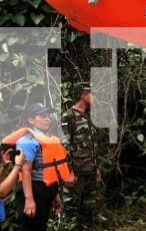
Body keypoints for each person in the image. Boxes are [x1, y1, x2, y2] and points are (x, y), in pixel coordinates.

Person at [5, 103, 75, 231]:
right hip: (33, 190)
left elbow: (50, 170)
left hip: (47, 191)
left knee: (41, 226)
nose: (47, 119)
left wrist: (54, 195)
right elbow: (26, 170)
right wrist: (29, 200)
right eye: (42, 116)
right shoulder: (27, 141)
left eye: (48, 115)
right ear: (31, 120)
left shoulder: (49, 138)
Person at [61, 83, 101, 231]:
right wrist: (69, 171)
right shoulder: (68, 116)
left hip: (90, 171)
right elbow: (64, 146)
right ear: (83, 96)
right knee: (70, 211)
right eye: (92, 94)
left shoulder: (89, 116)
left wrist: (96, 168)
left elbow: (91, 145)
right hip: (75, 174)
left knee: (88, 211)